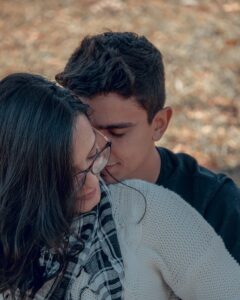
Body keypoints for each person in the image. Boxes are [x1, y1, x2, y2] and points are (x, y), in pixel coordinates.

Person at [0, 73, 240, 300]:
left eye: (91, 157)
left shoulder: (148, 213)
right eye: (66, 177)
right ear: (20, 184)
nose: (92, 183)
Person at [55, 31, 240, 263]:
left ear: (159, 124)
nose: (97, 149)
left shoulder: (214, 207)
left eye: (117, 132)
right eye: (87, 131)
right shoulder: (46, 188)